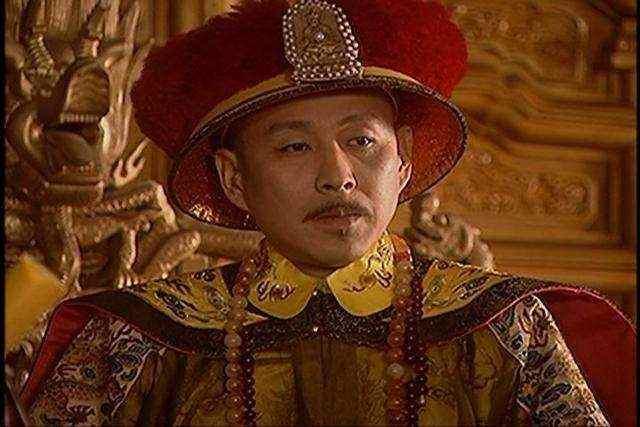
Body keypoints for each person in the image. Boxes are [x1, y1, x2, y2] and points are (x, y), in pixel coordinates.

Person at [15, 0, 635, 425]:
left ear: (404, 160)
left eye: (361, 140)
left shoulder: (507, 327)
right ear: (234, 179)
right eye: (293, 146)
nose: (337, 174)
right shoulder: (137, 338)